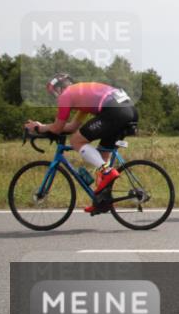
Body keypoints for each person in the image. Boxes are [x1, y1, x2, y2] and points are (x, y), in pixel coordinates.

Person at [24, 74, 138, 214]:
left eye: (53, 92)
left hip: (115, 111)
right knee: (101, 160)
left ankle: (106, 170)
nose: (55, 96)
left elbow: (58, 128)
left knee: (76, 141)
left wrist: (39, 127)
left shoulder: (66, 95)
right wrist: (47, 127)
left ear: (60, 88)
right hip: (128, 110)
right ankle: (101, 202)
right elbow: (71, 127)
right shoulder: (80, 94)